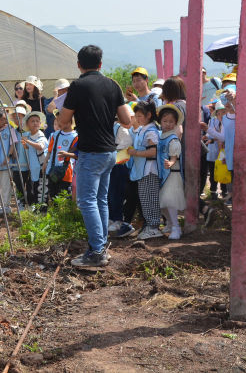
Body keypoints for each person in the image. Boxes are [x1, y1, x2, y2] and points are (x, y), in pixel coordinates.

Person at [58, 45, 132, 268]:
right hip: (110, 152)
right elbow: (127, 120)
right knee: (100, 199)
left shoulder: (78, 86)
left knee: (87, 200)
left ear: (79, 64)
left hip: (90, 152)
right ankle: (100, 246)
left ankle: (97, 251)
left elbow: (64, 121)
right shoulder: (112, 84)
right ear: (101, 64)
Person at [128, 100, 162, 240]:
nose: (137, 119)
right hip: (142, 170)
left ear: (148, 115)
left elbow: (153, 152)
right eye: (136, 116)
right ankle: (149, 225)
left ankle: (154, 226)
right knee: (145, 198)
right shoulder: (144, 129)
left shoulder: (151, 131)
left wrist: (135, 152)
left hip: (149, 170)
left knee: (150, 198)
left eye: (140, 116)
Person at [157, 104, 185, 240]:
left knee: (169, 201)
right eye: (165, 121)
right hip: (163, 174)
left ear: (175, 123)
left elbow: (175, 155)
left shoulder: (173, 138)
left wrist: (171, 162)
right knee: (162, 202)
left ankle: (176, 227)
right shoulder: (161, 135)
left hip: (172, 173)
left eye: (171, 122)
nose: (168, 124)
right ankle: (169, 223)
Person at [44, 114, 78, 201]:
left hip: (67, 172)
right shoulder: (55, 135)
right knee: (52, 195)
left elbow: (77, 155)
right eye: (57, 120)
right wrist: (45, 163)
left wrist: (67, 154)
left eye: (61, 120)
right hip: (52, 170)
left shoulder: (76, 137)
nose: (58, 123)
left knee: (64, 196)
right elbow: (49, 151)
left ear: (69, 122)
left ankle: (63, 214)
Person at [0, 108, 15, 213]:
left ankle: (6, 205)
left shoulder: (10, 129)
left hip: (6, 162)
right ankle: (0, 205)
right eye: (1, 119)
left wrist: (8, 156)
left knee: (6, 184)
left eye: (5, 119)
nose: (4, 122)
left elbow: (13, 144)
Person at [10, 103, 30, 211]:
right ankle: (21, 203)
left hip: (28, 163)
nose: (18, 119)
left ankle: (30, 203)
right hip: (17, 163)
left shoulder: (30, 131)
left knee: (30, 184)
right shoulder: (13, 131)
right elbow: (12, 144)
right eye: (15, 117)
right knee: (18, 184)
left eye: (20, 117)